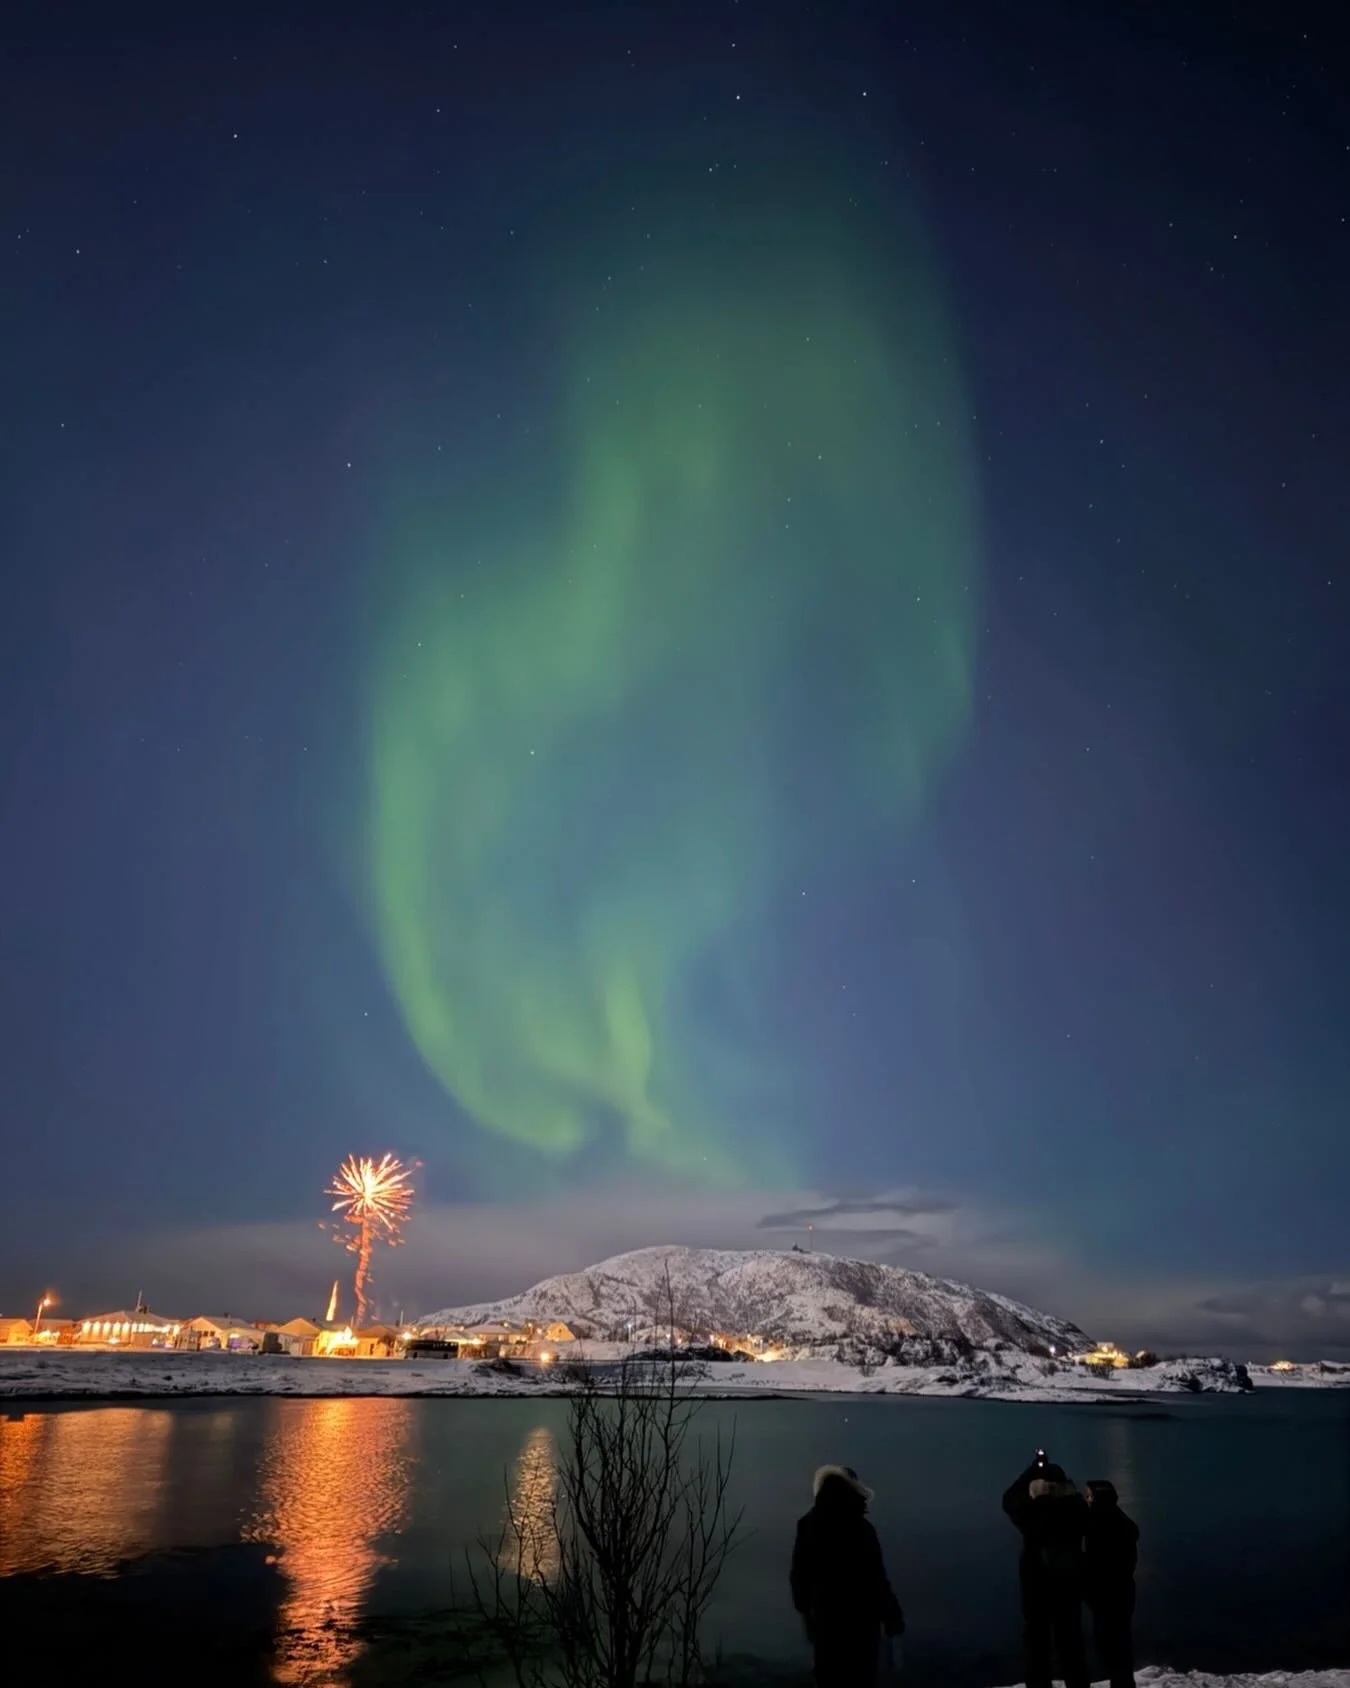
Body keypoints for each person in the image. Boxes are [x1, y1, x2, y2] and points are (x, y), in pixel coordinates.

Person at [791, 1465, 905, 1688]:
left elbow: (799, 1577)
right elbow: (876, 1580)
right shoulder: (861, 1529)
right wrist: (892, 1617)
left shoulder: (809, 1525)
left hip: (826, 1623)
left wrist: (807, 1613)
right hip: (860, 1624)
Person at [1002, 1453, 1090, 1688]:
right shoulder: (1075, 1508)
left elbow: (1008, 1500)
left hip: (1036, 1586)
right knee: (1072, 1644)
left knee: (1036, 1646)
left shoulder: (1032, 1512)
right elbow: (1084, 1506)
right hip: (1069, 1584)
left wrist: (1033, 1470)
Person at [1083, 1479, 1139, 1688]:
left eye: (1088, 1497)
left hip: (1108, 1596)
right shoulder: (1119, 1523)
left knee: (1112, 1648)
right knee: (1120, 1648)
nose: (1085, 1501)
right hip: (1121, 1594)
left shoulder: (1099, 1526)